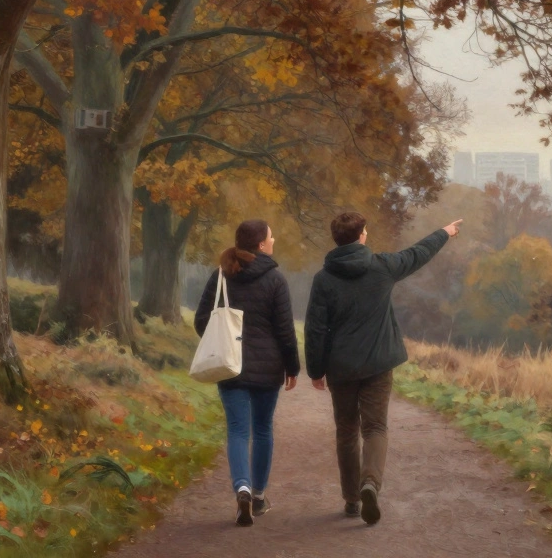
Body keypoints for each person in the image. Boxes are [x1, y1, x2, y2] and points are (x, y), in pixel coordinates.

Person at [304, 211, 462, 525]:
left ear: (337, 239)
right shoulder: (382, 267)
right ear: (361, 235)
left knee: (347, 431)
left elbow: (315, 328)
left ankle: (351, 500)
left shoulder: (323, 279)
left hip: (342, 368)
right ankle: (370, 483)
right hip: (378, 364)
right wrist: (444, 232)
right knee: (375, 428)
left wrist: (315, 370)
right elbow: (417, 254)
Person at [194, 219, 300, 527]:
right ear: (261, 245)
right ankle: (257, 496)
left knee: (238, 431)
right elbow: (285, 331)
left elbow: (202, 319)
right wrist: (292, 367)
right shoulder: (275, 280)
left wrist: (221, 340)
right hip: (267, 370)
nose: (274, 239)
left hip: (230, 366)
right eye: (271, 236)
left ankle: (240, 487)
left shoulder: (222, 276)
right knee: (263, 429)